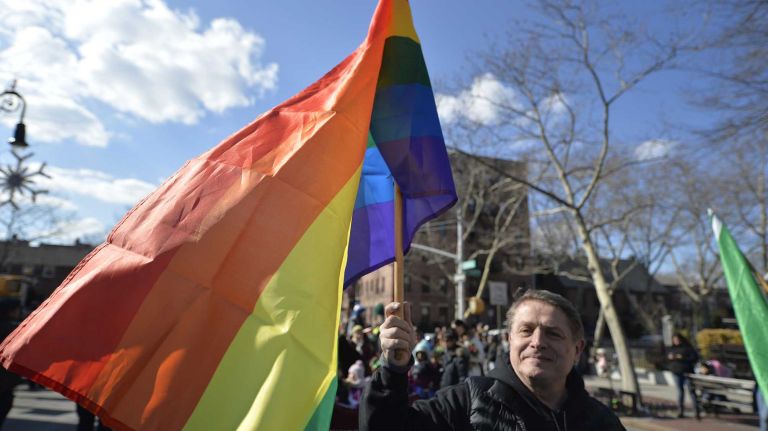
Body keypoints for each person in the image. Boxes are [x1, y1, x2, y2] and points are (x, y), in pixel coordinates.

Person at [360, 289, 625, 430]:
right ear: (510, 340)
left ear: (577, 349)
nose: (538, 342)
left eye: (553, 333)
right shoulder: (464, 404)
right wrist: (393, 370)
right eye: (526, 330)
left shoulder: (602, 422)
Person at [667, 333, 700, 419]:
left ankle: (696, 410)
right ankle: (680, 411)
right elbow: (666, 358)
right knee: (680, 392)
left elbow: (695, 357)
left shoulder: (687, 348)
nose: (676, 341)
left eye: (677, 339)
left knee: (691, 391)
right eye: (674, 340)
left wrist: (683, 357)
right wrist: (670, 358)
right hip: (677, 372)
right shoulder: (672, 348)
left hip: (687, 372)